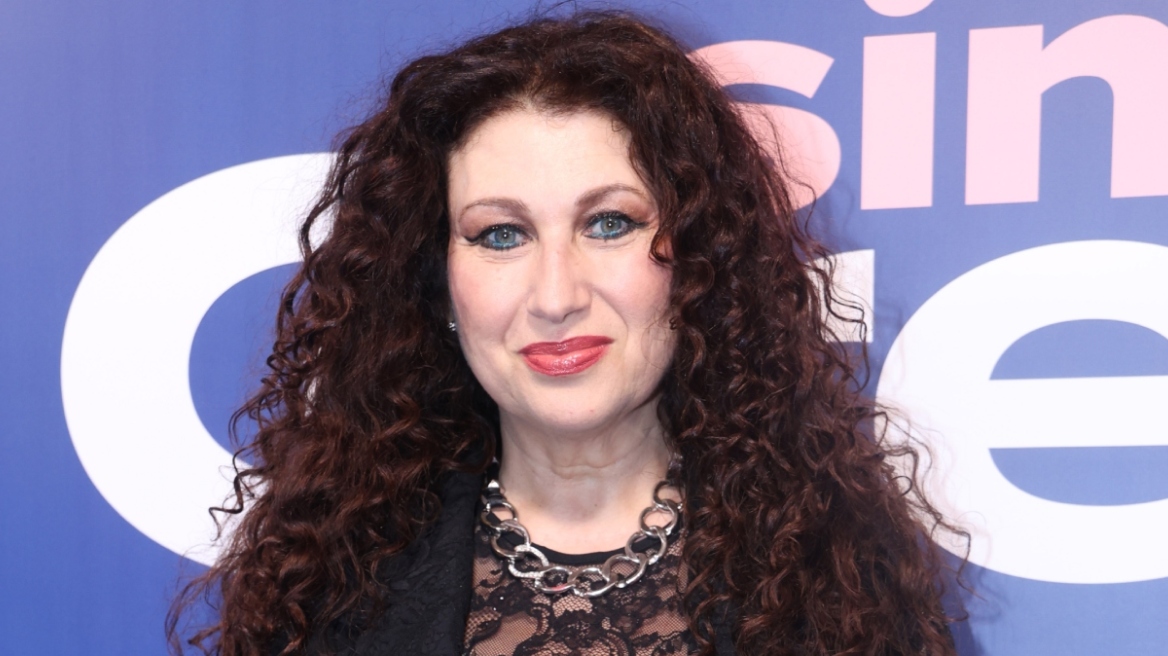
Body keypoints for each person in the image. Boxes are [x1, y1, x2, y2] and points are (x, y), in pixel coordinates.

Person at [170, 10, 965, 656]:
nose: (556, 296)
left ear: (696, 259)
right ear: (434, 279)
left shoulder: (838, 575)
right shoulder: (325, 584)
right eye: (501, 234)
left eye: (609, 223)